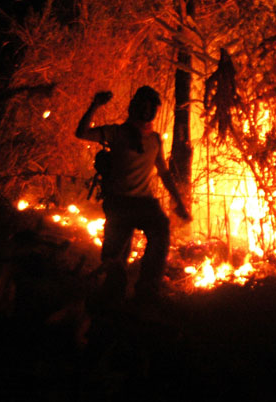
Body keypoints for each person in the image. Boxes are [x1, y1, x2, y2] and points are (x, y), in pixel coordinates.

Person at [76, 86, 191, 309]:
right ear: (135, 107)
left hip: (144, 202)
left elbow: (164, 173)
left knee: (160, 232)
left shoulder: (155, 139)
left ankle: (147, 291)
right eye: (144, 106)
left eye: (151, 108)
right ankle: (113, 298)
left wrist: (178, 201)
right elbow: (81, 133)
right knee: (115, 256)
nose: (147, 112)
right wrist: (95, 105)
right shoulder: (117, 133)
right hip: (119, 202)